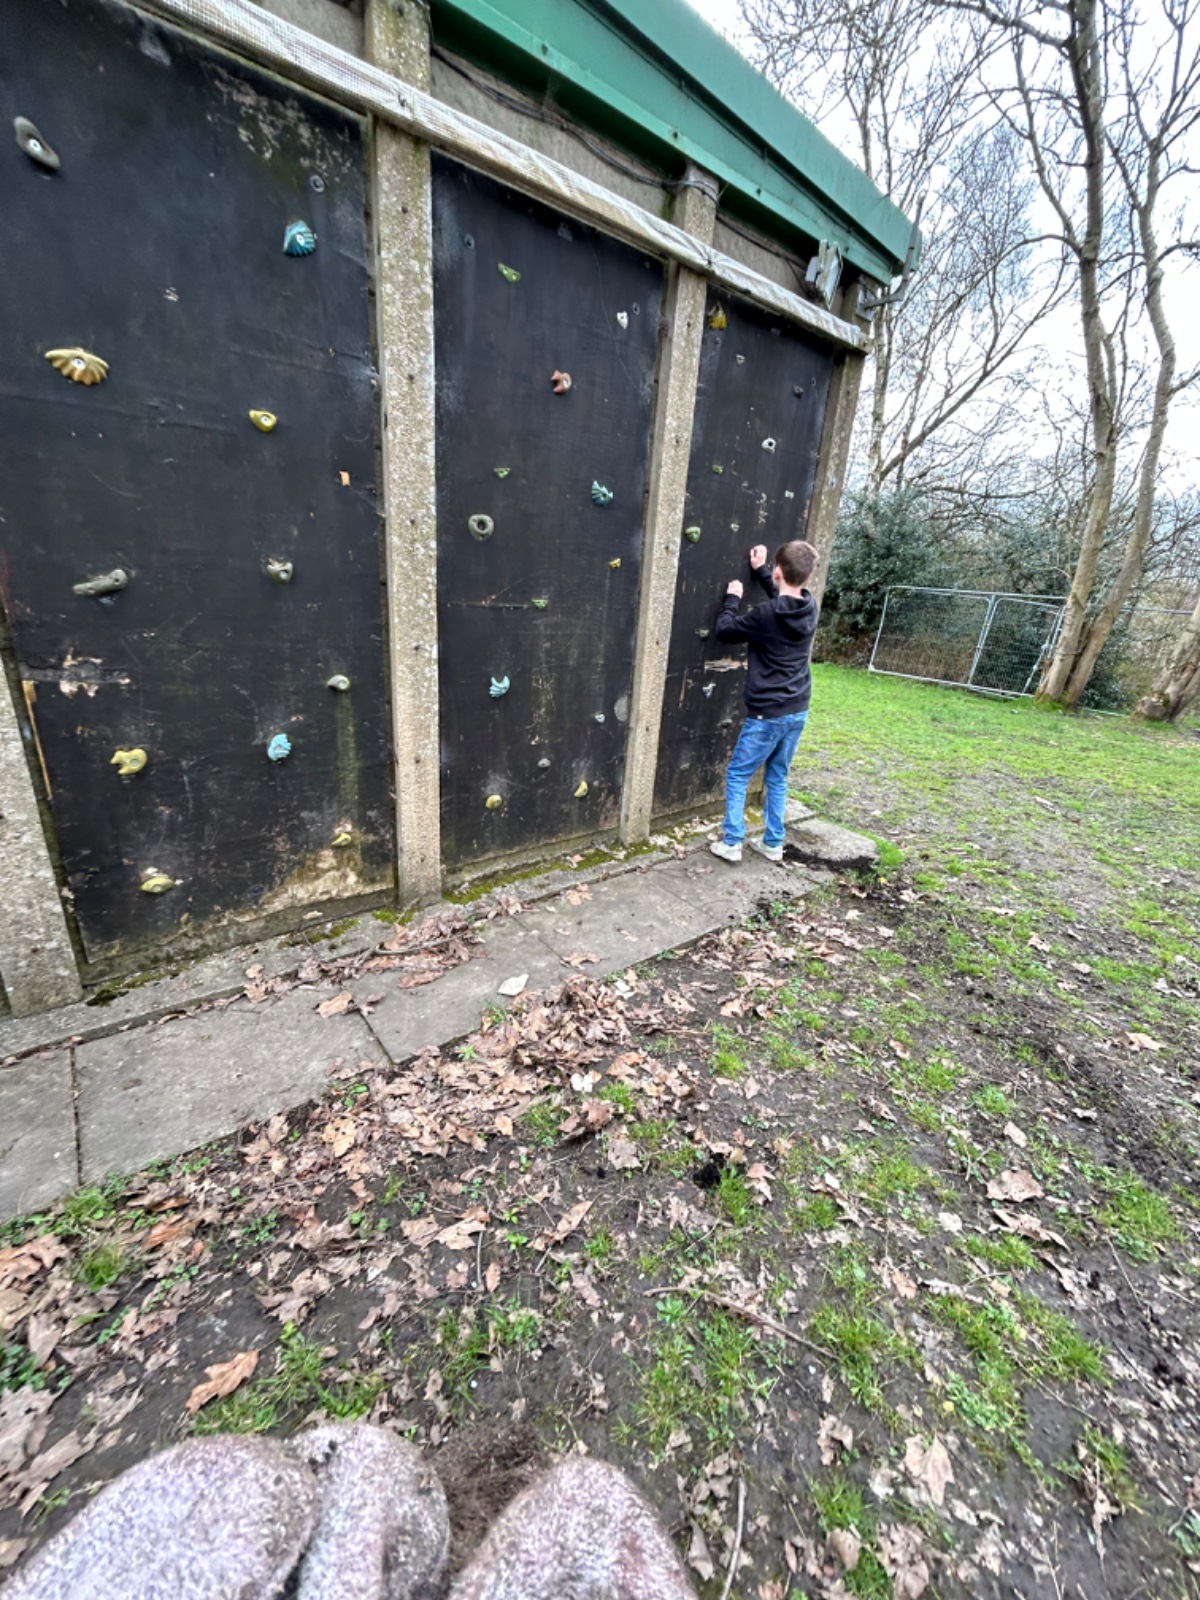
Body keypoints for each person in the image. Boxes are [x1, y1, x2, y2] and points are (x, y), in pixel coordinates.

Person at [709, 539, 818, 864]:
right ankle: (773, 843)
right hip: (798, 709)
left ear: (780, 572)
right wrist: (761, 572)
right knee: (778, 776)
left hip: (767, 714)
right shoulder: (809, 607)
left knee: (738, 774)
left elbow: (725, 631)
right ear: (808, 578)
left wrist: (732, 599)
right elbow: (783, 601)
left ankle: (731, 842)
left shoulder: (765, 615)